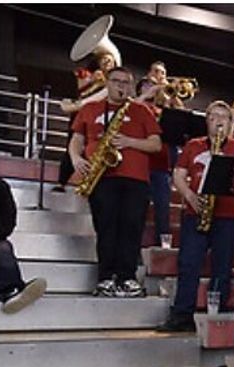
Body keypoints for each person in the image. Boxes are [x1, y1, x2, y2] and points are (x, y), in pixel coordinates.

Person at [68, 66, 162, 298]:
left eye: (126, 83)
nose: (121, 86)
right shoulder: (90, 108)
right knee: (106, 228)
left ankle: (127, 277)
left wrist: (129, 141)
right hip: (101, 177)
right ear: (107, 83)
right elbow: (76, 140)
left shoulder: (141, 110)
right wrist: (76, 158)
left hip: (135, 179)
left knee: (131, 228)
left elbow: (156, 144)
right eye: (117, 81)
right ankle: (106, 278)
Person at [157, 100, 234, 331]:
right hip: (195, 211)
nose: (218, 121)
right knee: (188, 263)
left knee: (222, 266)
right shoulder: (193, 145)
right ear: (206, 120)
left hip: (227, 215)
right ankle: (182, 314)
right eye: (213, 116)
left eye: (223, 117)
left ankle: (217, 315)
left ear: (231, 123)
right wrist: (189, 195)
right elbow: (179, 174)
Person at [54, 50, 116, 192]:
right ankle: (62, 181)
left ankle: (90, 182)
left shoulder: (113, 82)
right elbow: (76, 93)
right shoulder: (87, 76)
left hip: (99, 119)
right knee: (72, 146)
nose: (107, 63)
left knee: (94, 149)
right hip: (79, 116)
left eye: (110, 61)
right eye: (105, 60)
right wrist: (89, 81)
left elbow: (97, 98)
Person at [0, 178, 47, 313]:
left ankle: (10, 292)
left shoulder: (0, 187)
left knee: (3, 247)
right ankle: (11, 291)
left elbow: (8, 222)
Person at [134, 76, 173, 247]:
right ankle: (135, 245)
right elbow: (127, 109)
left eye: (153, 85)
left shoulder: (161, 110)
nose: (152, 88)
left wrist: (170, 102)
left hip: (162, 165)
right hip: (142, 164)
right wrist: (145, 96)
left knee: (163, 208)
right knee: (138, 208)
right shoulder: (136, 106)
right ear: (140, 88)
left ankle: (163, 245)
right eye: (147, 85)